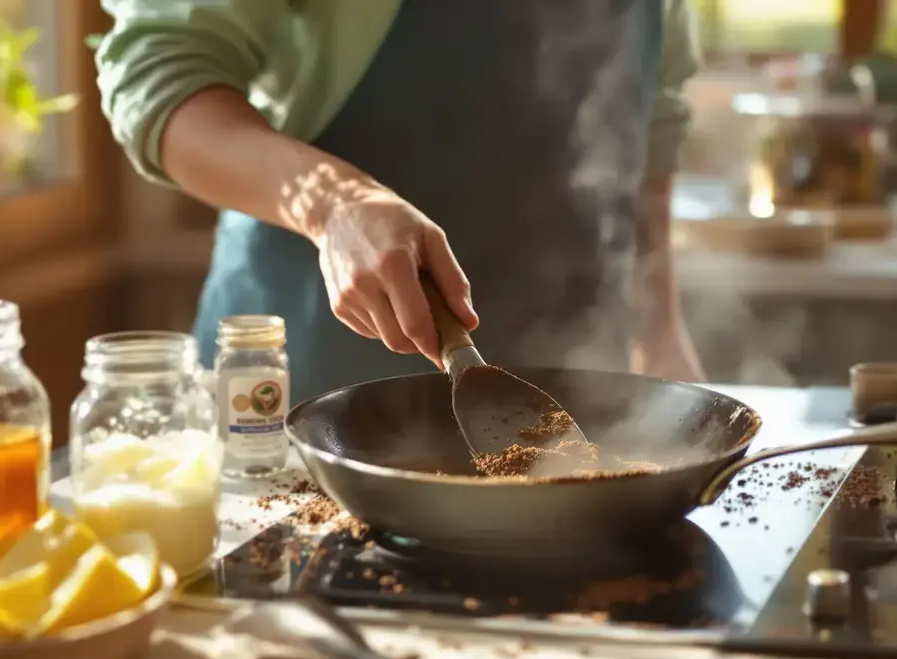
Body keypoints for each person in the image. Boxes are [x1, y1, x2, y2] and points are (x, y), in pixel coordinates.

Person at [96, 0, 706, 403]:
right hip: (301, 397)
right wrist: (335, 202)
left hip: (583, 390)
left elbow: (650, 124)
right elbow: (162, 76)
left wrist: (659, 331)